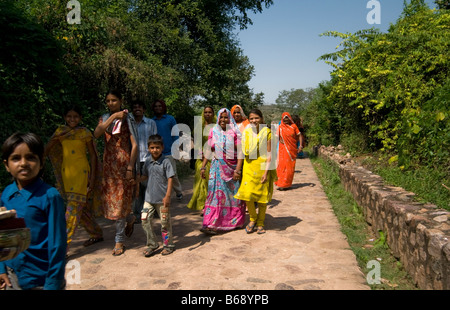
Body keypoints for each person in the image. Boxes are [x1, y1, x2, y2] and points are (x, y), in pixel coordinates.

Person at [0, 132, 67, 290]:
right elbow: (2, 237)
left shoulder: (50, 196)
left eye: (31, 157)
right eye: (16, 158)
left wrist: (52, 284)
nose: (23, 163)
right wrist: (1, 269)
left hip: (41, 279)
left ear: (41, 162)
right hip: (12, 275)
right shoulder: (7, 194)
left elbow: (58, 244)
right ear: (6, 165)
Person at [45, 106, 103, 253]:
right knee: (79, 208)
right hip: (67, 174)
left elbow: (93, 155)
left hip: (82, 174)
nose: (72, 119)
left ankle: (62, 247)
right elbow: (47, 150)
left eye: (75, 116)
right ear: (65, 117)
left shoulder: (84, 133)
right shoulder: (60, 132)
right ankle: (96, 233)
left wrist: (93, 176)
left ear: (80, 118)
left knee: (72, 209)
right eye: (69, 116)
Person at [94, 89, 139, 256]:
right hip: (108, 164)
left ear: (121, 101)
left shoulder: (129, 118)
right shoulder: (105, 118)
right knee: (113, 201)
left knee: (120, 202)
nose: (111, 103)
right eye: (108, 101)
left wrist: (130, 168)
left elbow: (135, 145)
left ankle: (119, 240)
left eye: (114, 100)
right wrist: (113, 117)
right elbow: (97, 134)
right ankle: (130, 218)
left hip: (123, 162)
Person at [200, 108, 246, 235]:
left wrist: (238, 169)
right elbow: (209, 150)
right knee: (214, 195)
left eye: (226, 117)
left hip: (231, 169)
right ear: (218, 118)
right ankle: (210, 223)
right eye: (221, 117)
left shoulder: (234, 132)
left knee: (232, 197)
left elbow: (241, 151)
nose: (223, 120)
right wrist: (203, 166)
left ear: (229, 119)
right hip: (216, 168)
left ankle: (234, 221)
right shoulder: (213, 131)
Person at [234, 109, 276, 234]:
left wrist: (265, 172)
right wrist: (238, 168)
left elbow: (269, 154)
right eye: (251, 118)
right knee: (248, 196)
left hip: (262, 167)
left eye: (256, 118)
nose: (254, 121)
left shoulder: (267, 132)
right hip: (248, 167)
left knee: (262, 197)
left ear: (262, 119)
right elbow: (241, 151)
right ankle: (252, 219)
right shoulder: (246, 132)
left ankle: (260, 222)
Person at [140, 135, 175, 257]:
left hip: (162, 199)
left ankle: (168, 245)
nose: (155, 150)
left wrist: (168, 196)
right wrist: (135, 180)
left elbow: (171, 178)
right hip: (149, 198)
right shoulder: (147, 162)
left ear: (162, 147)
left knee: (165, 223)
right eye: (152, 147)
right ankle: (152, 244)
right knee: (144, 220)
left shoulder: (166, 162)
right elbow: (145, 176)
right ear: (148, 148)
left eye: (157, 147)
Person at [131, 100, 157, 222]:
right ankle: (137, 214)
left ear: (144, 109)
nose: (137, 109)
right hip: (133, 160)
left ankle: (149, 212)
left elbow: (155, 140)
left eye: (139, 107)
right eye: (135, 107)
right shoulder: (129, 124)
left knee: (148, 186)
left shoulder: (150, 123)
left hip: (147, 159)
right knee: (136, 188)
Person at [151, 99, 183, 201]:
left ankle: (178, 192)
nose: (158, 108)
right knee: (160, 175)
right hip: (157, 152)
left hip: (170, 151)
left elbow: (176, 135)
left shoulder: (170, 119)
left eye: (160, 106)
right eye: (156, 106)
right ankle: (163, 196)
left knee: (172, 174)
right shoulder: (152, 121)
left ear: (163, 107)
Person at [187, 106, 216, 212]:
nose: (207, 114)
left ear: (213, 114)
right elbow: (197, 143)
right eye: (206, 112)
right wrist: (201, 154)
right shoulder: (199, 126)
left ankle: (209, 203)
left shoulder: (217, 127)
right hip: (201, 157)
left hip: (213, 156)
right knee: (200, 180)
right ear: (203, 114)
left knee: (209, 181)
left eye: (210, 112)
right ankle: (202, 204)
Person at [275, 112, 302, 190]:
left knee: (290, 167)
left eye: (287, 118)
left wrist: (300, 145)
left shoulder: (294, 127)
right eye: (284, 118)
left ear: (290, 118)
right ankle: (281, 183)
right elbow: (276, 137)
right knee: (282, 165)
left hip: (292, 149)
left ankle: (286, 183)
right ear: (282, 119)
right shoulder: (280, 127)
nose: (286, 120)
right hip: (282, 148)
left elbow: (299, 135)